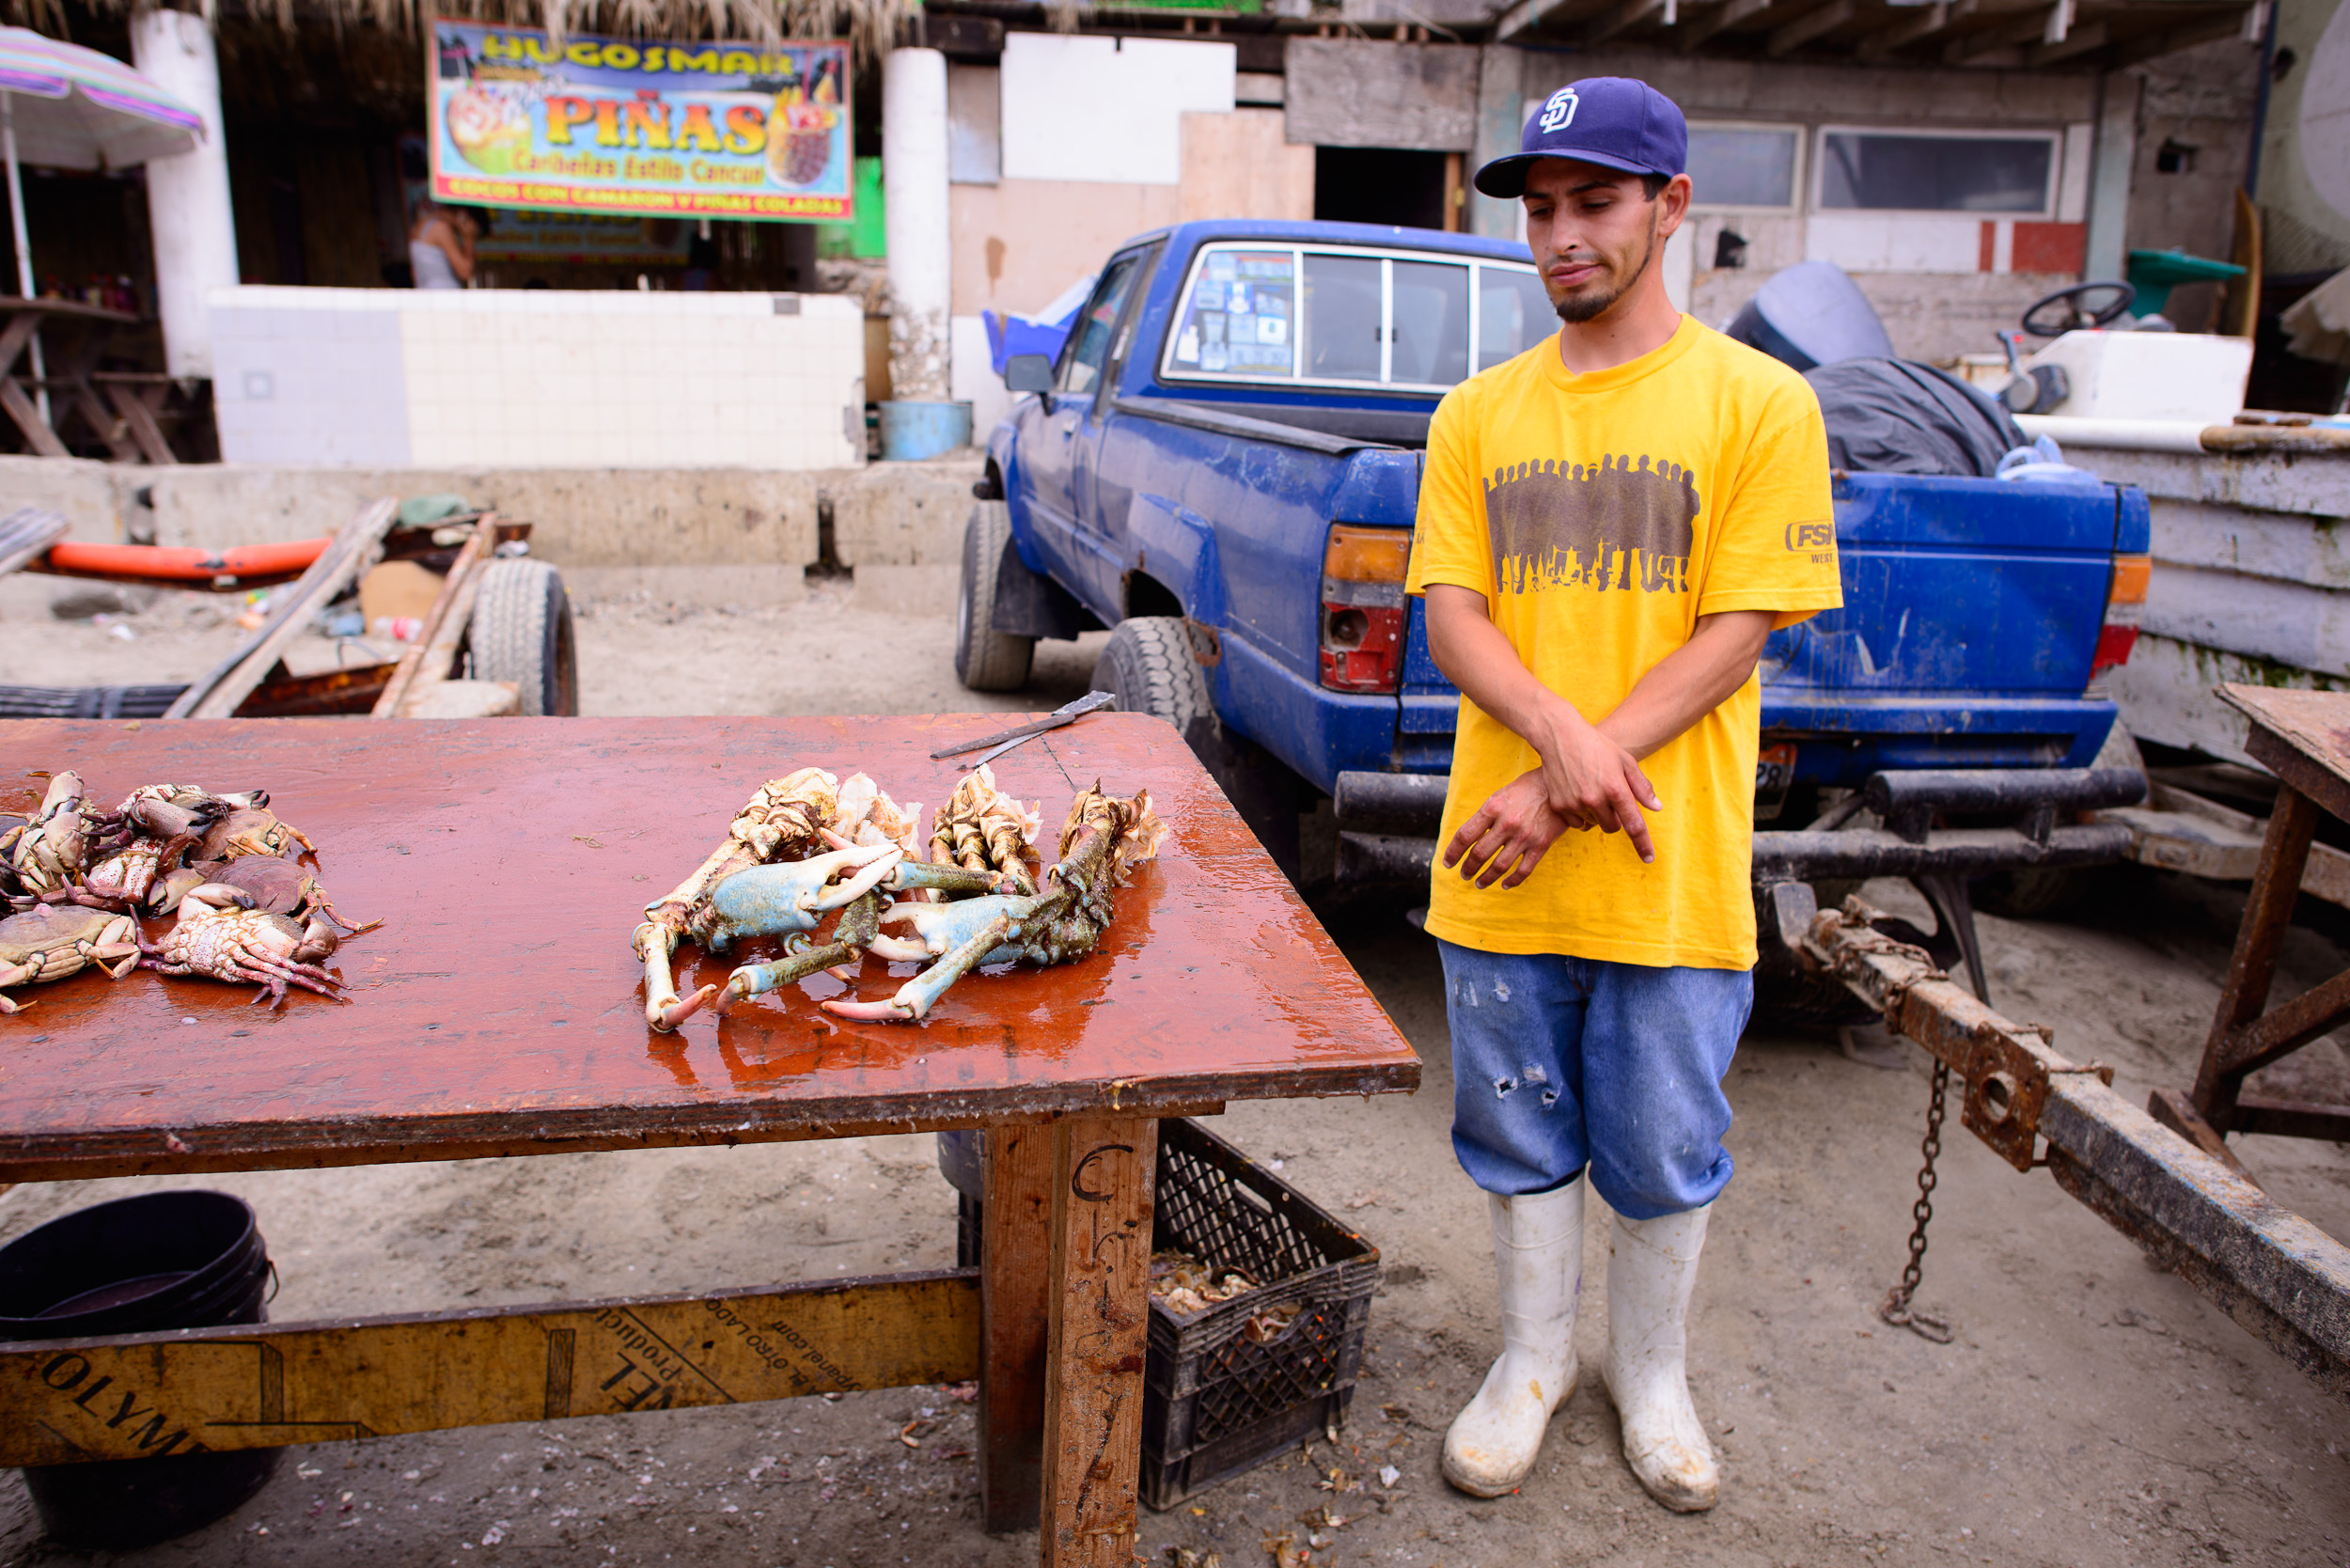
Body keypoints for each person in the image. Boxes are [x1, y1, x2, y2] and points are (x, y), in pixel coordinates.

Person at [1403, 76, 1842, 1513]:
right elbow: (1454, 612)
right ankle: (1529, 1362)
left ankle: (1649, 1375)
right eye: (1540, 210)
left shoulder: (1760, 404)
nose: (1561, 236)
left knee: (1662, 1139)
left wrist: (1575, 774)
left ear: (1671, 207)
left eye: (1595, 202)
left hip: (1671, 866)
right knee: (1516, 1122)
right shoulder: (1478, 412)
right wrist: (1554, 747)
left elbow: (1740, 628)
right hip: (1503, 860)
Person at [410, 202, 476, 290]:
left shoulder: (420, 226)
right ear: (462, 214)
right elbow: (465, 272)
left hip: (426, 291)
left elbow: (414, 273)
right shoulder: (441, 228)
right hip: (444, 293)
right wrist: (469, 238)